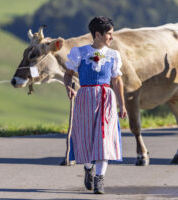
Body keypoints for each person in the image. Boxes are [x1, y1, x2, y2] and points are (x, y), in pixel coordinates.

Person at [63, 16, 127, 194]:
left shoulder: (114, 55)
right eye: (109, 34)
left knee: (104, 138)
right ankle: (88, 168)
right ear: (97, 34)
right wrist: (68, 88)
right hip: (85, 98)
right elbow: (68, 75)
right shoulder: (80, 53)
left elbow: (117, 81)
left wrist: (122, 105)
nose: (111, 37)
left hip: (106, 98)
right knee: (86, 138)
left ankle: (100, 179)